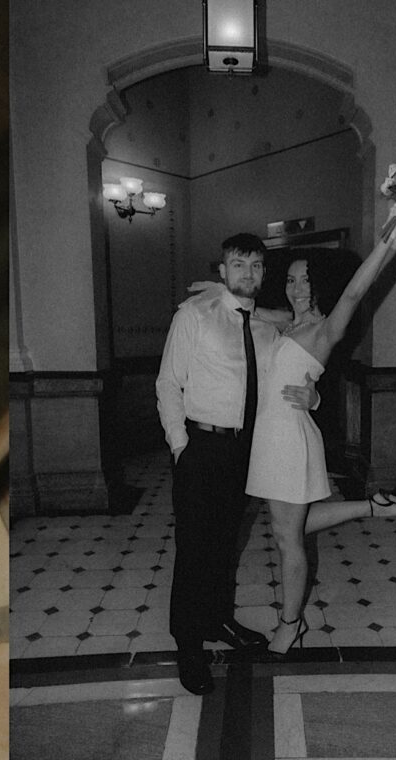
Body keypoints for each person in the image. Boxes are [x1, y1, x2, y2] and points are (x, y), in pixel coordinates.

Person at [245, 199, 396, 655]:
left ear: (319, 284)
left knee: (287, 539)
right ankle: (375, 507)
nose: (297, 287)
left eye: (305, 279)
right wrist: (217, 290)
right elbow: (250, 312)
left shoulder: (324, 329)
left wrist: (394, 230)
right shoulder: (285, 321)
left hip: (288, 438)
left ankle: (290, 624)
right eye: (290, 278)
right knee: (294, 526)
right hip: (268, 437)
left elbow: (355, 293)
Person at [156, 233, 318, 695]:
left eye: (255, 266)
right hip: (202, 447)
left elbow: (304, 353)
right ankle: (188, 644)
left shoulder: (269, 324)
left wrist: (316, 394)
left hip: (249, 448)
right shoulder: (194, 315)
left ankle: (219, 621)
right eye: (237, 265)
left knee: (226, 542)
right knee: (194, 549)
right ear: (222, 270)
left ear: (263, 274)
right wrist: (180, 444)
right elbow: (168, 383)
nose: (247, 273)